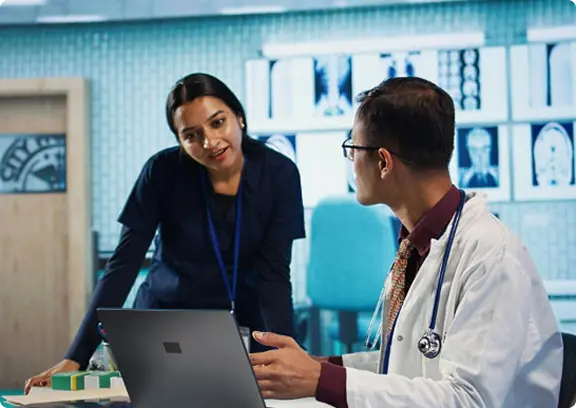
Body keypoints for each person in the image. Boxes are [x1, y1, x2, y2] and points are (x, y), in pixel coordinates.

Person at [248, 77, 564, 407]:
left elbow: (468, 400)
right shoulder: (420, 245)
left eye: (352, 149)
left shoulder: (492, 257)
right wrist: (318, 368)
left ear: (383, 162)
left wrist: (321, 380)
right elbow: (407, 367)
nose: (351, 162)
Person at [25, 72, 306, 393]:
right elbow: (123, 265)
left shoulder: (279, 174)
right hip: (165, 325)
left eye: (218, 123)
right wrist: (76, 356)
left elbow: (274, 276)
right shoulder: (161, 172)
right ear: (179, 140)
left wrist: (289, 352)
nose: (209, 142)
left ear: (239, 117)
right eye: (191, 135)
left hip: (243, 326)